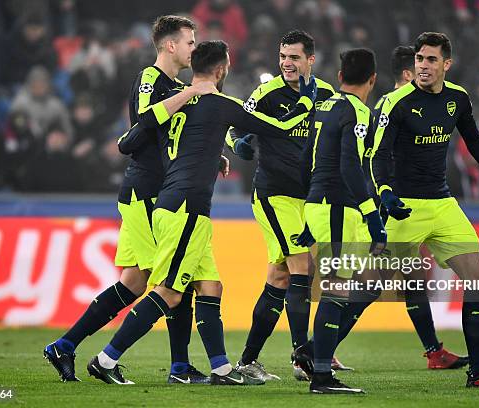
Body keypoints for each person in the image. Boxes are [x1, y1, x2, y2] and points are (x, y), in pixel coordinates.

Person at [87, 39, 317, 386]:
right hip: (186, 207)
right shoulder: (222, 104)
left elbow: (130, 141)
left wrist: (210, 154)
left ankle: (222, 369)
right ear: (222, 68)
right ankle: (106, 359)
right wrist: (305, 100)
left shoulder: (176, 102)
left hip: (174, 202)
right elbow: (282, 128)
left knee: (211, 285)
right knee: (170, 291)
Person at [43, 15, 217, 383]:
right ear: (170, 45)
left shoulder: (173, 85)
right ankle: (178, 368)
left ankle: (65, 345)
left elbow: (160, 137)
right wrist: (189, 93)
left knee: (135, 283)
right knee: (171, 280)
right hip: (146, 192)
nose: (194, 48)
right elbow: (142, 120)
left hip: (158, 190)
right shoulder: (151, 78)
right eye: (189, 41)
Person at [294, 46, 468, 371]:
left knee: (407, 278)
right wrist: (374, 212)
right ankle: (315, 353)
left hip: (386, 205)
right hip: (381, 206)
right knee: (362, 285)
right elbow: (361, 163)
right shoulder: (386, 110)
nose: (426, 73)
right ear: (406, 74)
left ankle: (432, 351)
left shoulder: (375, 108)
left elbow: (313, 157)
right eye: (420, 66)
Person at [370, 32, 479, 388]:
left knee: (478, 280)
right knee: (367, 289)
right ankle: (318, 356)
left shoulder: (458, 98)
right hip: (405, 207)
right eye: (420, 59)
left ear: (446, 65)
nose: (423, 66)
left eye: (431, 60)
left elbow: (475, 139)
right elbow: (378, 155)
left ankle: (478, 372)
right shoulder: (396, 102)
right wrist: (387, 193)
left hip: (443, 204)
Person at [227, 29, 344, 381]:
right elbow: (234, 128)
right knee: (302, 269)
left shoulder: (326, 94)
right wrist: (238, 146)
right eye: (282, 56)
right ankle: (303, 356)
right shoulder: (266, 93)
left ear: (311, 59)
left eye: (293, 57)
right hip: (274, 194)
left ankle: (248, 360)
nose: (286, 63)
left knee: (279, 277)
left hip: (309, 198)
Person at [298, 48, 387, 394]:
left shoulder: (325, 106)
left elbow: (308, 157)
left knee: (369, 283)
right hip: (338, 207)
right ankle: (321, 376)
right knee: (336, 289)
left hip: (325, 205)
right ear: (373, 80)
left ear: (339, 78)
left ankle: (310, 351)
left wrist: (309, 207)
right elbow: (350, 165)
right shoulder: (358, 111)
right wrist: (372, 214)